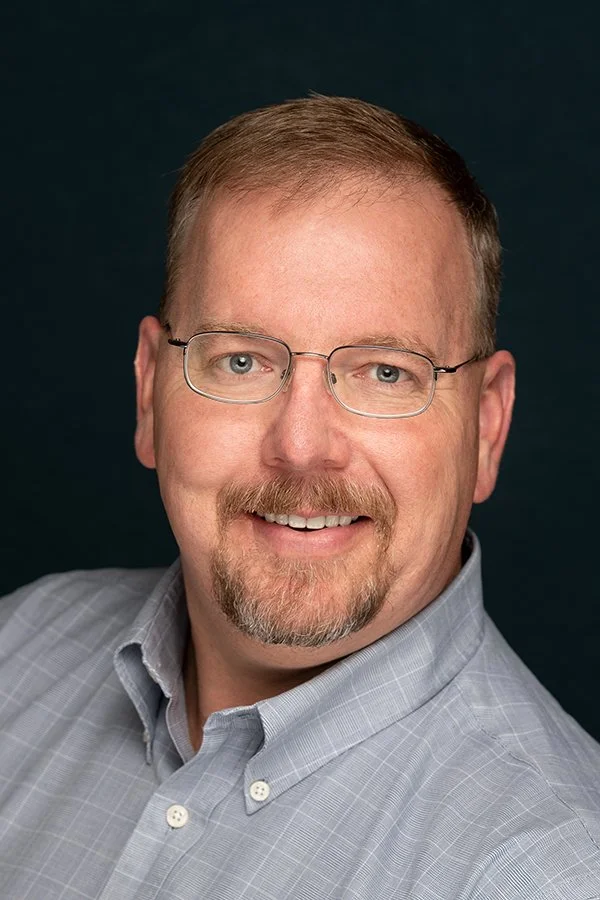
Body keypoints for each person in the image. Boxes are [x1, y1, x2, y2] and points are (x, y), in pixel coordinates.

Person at [0, 96, 598, 900]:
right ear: (149, 394)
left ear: (487, 428)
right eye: (241, 362)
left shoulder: (550, 870)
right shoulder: (19, 648)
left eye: (387, 372)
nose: (302, 445)